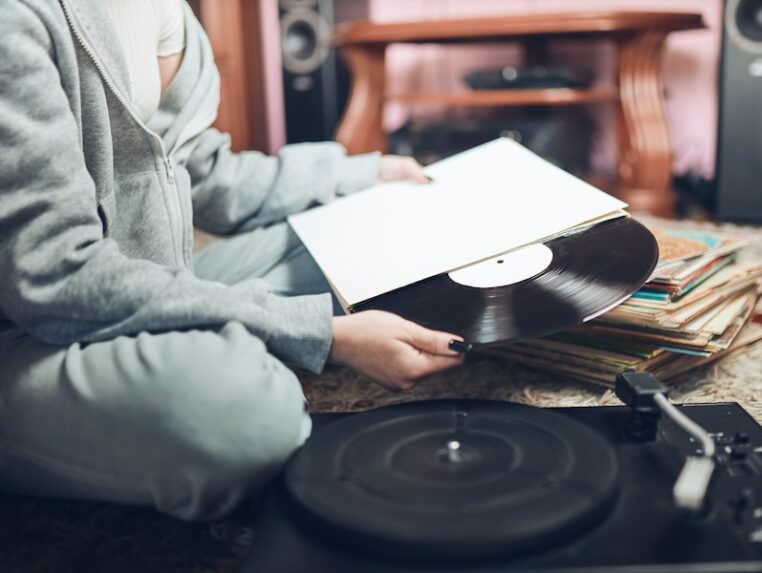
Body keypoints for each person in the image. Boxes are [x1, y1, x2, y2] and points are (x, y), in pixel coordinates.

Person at [0, 0, 463, 520]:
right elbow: (57, 277)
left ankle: (214, 345)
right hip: (31, 331)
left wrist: (361, 176)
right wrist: (322, 334)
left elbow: (207, 177)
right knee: (242, 414)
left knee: (377, 232)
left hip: (155, 281)